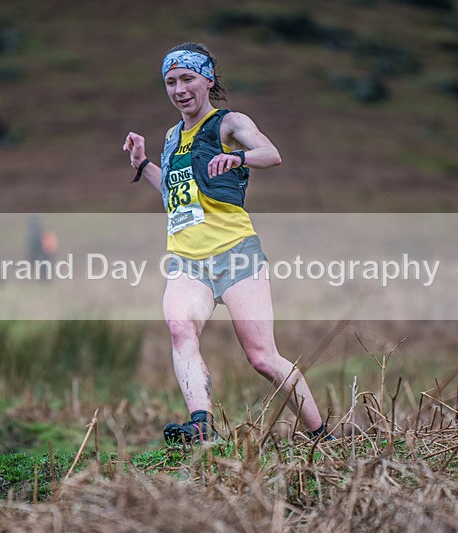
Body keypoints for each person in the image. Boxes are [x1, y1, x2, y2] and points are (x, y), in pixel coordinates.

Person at [123, 42, 332, 444]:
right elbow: (173, 196)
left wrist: (238, 159)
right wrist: (143, 165)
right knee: (180, 328)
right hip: (186, 258)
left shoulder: (228, 122)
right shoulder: (170, 137)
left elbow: (271, 154)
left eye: (188, 78)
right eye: (171, 82)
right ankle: (202, 429)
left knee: (262, 358)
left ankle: (322, 436)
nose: (179, 89)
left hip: (236, 254)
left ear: (208, 80)